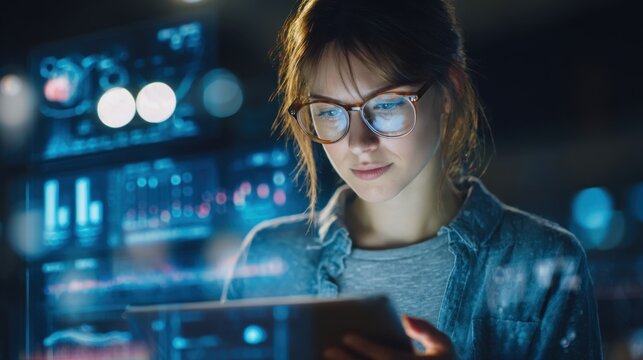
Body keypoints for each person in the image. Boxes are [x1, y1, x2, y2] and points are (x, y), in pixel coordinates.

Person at [221, 0, 603, 358]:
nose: (359, 143)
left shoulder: (543, 263)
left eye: (387, 105)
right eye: (329, 112)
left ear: (450, 88)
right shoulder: (268, 262)